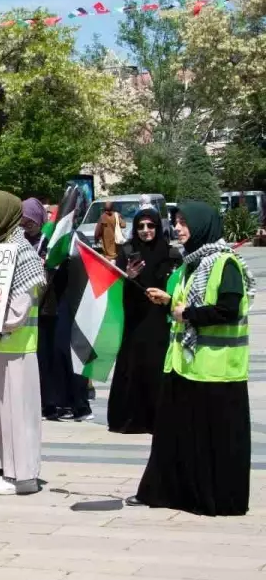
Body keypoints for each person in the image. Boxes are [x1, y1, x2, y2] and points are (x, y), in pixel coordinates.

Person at [127, 202, 253, 516]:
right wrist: (169, 301)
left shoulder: (225, 263)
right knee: (173, 436)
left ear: (201, 226)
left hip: (217, 371)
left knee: (213, 442)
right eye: (177, 222)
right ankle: (166, 492)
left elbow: (228, 308)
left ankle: (213, 499)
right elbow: (186, 307)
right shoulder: (191, 264)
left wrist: (188, 313)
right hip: (184, 365)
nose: (178, 229)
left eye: (184, 223)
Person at [0, 191, 46, 495]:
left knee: (18, 413)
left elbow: (22, 303)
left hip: (16, 346)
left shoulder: (21, 250)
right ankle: (1, 469)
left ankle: (24, 476)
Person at [109, 208, 177, 434]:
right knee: (135, 366)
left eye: (150, 226)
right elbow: (116, 292)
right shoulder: (127, 252)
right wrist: (128, 277)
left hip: (160, 320)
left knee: (158, 367)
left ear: (158, 227)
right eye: (140, 226)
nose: (146, 231)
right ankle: (133, 418)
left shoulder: (171, 254)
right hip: (136, 321)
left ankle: (159, 418)